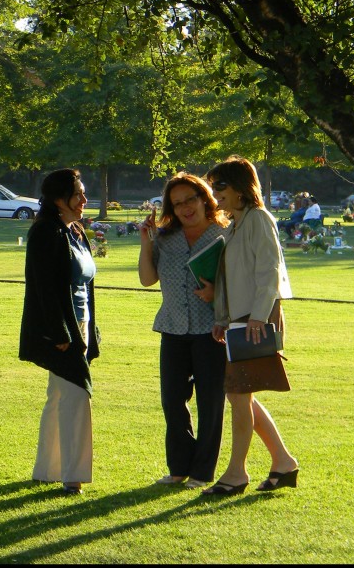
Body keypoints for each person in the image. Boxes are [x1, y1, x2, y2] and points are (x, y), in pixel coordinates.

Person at [200, 155, 298, 496]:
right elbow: (232, 279)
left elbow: (269, 270)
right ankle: (283, 463)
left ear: (242, 188)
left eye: (221, 186)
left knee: (239, 396)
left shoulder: (258, 218)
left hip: (254, 321)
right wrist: (222, 319)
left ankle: (236, 473)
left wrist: (257, 316)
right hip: (239, 322)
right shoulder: (236, 225)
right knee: (241, 396)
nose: (216, 194)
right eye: (214, 187)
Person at [138, 172, 230, 489]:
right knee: (172, 401)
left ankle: (202, 472)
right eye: (177, 204)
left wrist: (216, 293)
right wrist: (145, 242)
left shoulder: (225, 234)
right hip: (173, 329)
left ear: (205, 199)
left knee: (210, 403)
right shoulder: (165, 238)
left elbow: (243, 282)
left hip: (212, 331)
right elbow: (147, 279)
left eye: (190, 199)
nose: (185, 208)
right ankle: (178, 468)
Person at [19, 168, 101, 495]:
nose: (83, 199)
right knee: (77, 394)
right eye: (77, 194)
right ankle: (73, 476)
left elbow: (86, 286)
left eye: (83, 193)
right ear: (57, 199)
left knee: (58, 395)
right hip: (62, 330)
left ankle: (47, 469)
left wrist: (90, 331)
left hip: (80, 325)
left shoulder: (75, 231)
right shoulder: (46, 232)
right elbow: (45, 289)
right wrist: (61, 334)